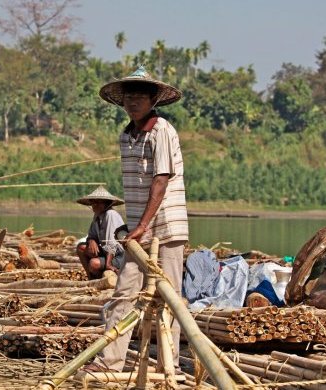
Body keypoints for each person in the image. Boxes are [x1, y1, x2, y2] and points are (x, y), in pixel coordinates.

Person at [91, 66, 189, 373]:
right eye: (129, 97)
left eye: (139, 97)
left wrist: (143, 227)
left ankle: (167, 365)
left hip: (165, 227)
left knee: (168, 296)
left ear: (151, 101)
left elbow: (160, 181)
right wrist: (138, 229)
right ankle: (110, 363)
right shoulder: (126, 135)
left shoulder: (162, 130)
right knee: (124, 292)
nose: (133, 103)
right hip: (138, 231)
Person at [75, 186, 126, 280]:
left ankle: (100, 277)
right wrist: (91, 241)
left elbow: (112, 244)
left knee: (94, 263)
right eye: (93, 202)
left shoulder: (110, 215)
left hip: (119, 255)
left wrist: (108, 264)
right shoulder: (97, 216)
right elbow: (91, 235)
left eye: (98, 202)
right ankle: (91, 279)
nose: (94, 205)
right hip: (106, 251)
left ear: (107, 203)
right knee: (81, 248)